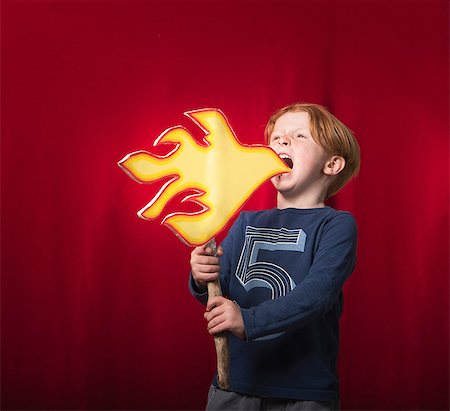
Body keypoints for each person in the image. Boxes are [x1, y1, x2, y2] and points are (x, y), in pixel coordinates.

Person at [189, 102, 360, 410]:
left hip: (304, 392)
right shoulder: (245, 222)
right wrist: (203, 277)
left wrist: (248, 320)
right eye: (277, 136)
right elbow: (221, 296)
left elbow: (316, 295)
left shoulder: (336, 225)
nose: (281, 141)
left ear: (332, 164)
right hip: (234, 385)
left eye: (299, 136)